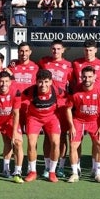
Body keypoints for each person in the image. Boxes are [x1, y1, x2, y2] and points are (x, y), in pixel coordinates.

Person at [65, 66, 100, 183]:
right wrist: (71, 126)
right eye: (84, 76)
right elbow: (68, 109)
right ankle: (75, 173)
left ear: (95, 77)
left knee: (99, 144)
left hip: (94, 121)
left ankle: (97, 173)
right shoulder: (75, 90)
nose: (87, 79)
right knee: (73, 145)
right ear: (81, 77)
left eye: (90, 76)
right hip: (78, 120)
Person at [38, 40, 73, 178]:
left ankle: (61, 167)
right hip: (48, 104)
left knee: (62, 136)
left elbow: (73, 84)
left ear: (63, 50)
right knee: (48, 136)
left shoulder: (69, 66)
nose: (55, 51)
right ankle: (47, 167)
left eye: (58, 49)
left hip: (62, 105)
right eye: (53, 49)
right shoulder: (44, 62)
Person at [22, 69, 64, 183]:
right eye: (40, 82)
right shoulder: (29, 91)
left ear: (51, 82)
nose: (43, 85)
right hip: (34, 118)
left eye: (46, 82)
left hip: (51, 118)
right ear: (36, 82)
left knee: (55, 143)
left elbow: (66, 104)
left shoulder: (58, 91)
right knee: (31, 143)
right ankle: (32, 172)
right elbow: (20, 105)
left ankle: (52, 172)